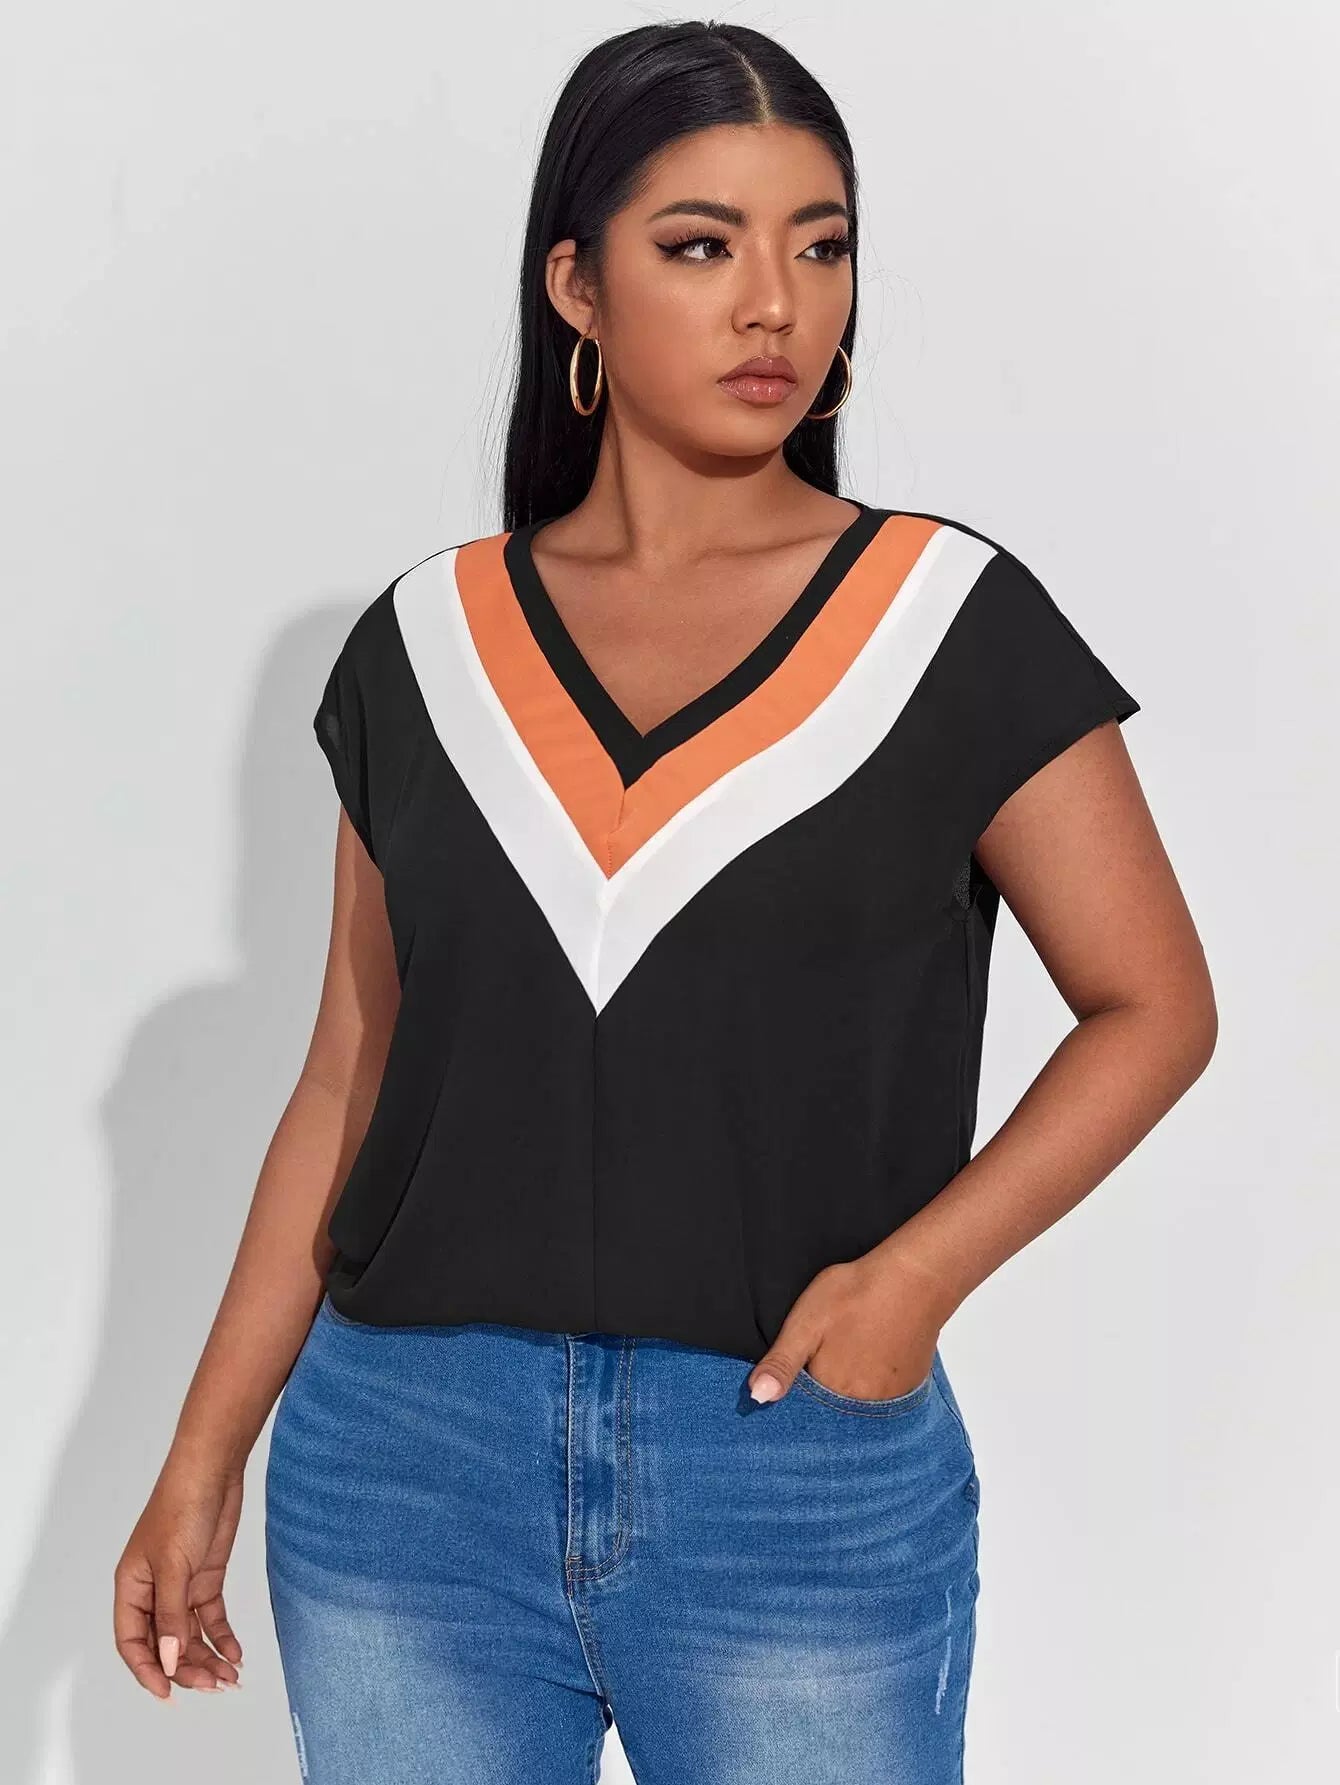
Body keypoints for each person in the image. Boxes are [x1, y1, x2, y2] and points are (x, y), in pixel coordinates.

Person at [112, 19, 1217, 1782]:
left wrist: (915, 1279)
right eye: (702, 246)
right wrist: (202, 1450)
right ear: (577, 285)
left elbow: (1155, 1006)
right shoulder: (425, 646)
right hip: (404, 1471)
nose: (776, 304)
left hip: (792, 1467)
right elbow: (345, 1079)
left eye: (821, 245)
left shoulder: (950, 624)